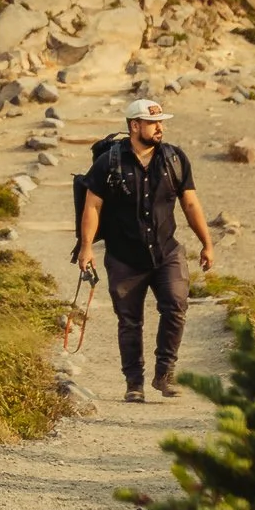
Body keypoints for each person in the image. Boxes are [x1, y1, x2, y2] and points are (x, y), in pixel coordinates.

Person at [74, 96, 214, 403]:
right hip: (124, 257)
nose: (159, 128)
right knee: (130, 321)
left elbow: (190, 203)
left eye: (161, 122)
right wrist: (86, 248)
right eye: (153, 123)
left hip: (167, 252)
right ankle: (133, 383)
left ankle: (165, 373)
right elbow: (92, 206)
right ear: (135, 125)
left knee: (176, 306)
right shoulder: (109, 163)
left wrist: (207, 243)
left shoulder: (175, 159)